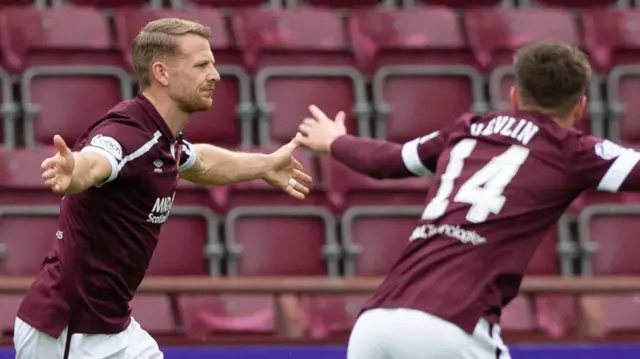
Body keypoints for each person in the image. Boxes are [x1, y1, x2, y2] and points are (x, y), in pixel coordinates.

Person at [296, 41, 640, 359]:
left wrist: (336, 141)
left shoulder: (468, 127)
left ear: (515, 96)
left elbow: (388, 161)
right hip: (451, 326)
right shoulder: (573, 150)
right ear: (581, 105)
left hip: (375, 324)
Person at [13, 18, 311, 359]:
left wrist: (266, 165)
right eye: (201, 65)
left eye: (212, 64)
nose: (215, 75)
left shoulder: (163, 139)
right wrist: (75, 171)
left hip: (113, 328)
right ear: (162, 73)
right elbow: (97, 160)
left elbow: (202, 162)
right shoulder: (128, 133)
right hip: (68, 331)